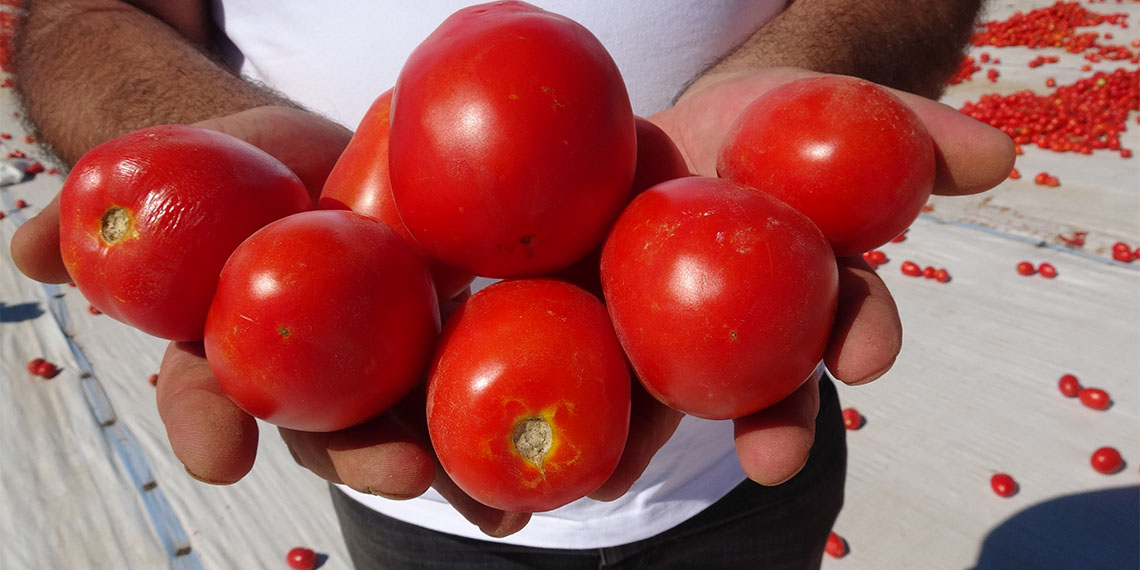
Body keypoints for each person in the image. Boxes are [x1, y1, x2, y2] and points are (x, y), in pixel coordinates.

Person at [10, 0, 1014, 568]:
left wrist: (800, 86)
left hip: (736, 482)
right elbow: (81, 11)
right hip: (422, 495)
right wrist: (232, 184)